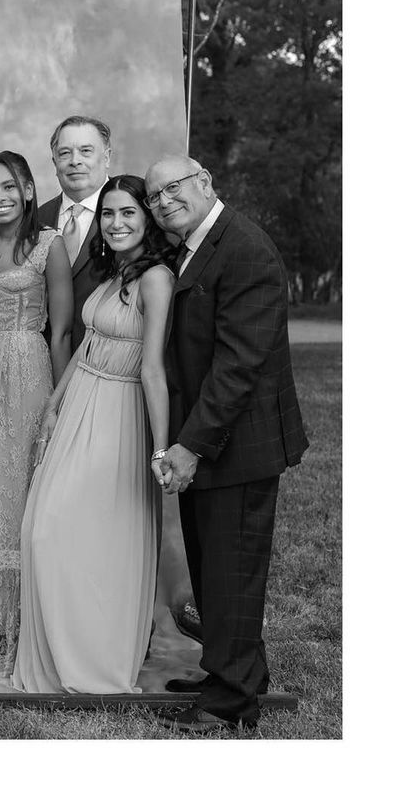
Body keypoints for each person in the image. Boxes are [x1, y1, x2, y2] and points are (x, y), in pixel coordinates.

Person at [144, 155, 308, 732]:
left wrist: (190, 445)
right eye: (154, 196)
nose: (163, 201)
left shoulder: (245, 249)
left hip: (238, 445)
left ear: (205, 181)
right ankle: (231, 671)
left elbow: (239, 365)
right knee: (215, 567)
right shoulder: (196, 244)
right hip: (215, 440)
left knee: (232, 570)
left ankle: (231, 702)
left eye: (173, 188)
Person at [12, 175, 175, 694]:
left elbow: (153, 368)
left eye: (128, 212)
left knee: (87, 536)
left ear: (148, 219)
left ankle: (96, 662)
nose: (116, 223)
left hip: (118, 413)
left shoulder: (156, 279)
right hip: (79, 401)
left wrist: (160, 448)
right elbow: (86, 348)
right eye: (108, 213)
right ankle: (65, 654)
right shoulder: (113, 274)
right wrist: (53, 407)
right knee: (44, 530)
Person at [0, 151, 73, 672]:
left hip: (27, 368)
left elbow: (62, 331)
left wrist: (59, 402)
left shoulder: (50, 245)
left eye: (9, 187)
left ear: (28, 190)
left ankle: (19, 625)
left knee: (16, 485)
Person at [34, 115, 111, 351]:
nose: (75, 161)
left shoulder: (133, 214)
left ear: (107, 157)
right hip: (45, 357)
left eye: (86, 151)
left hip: (109, 358)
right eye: (65, 153)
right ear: (54, 161)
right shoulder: (36, 220)